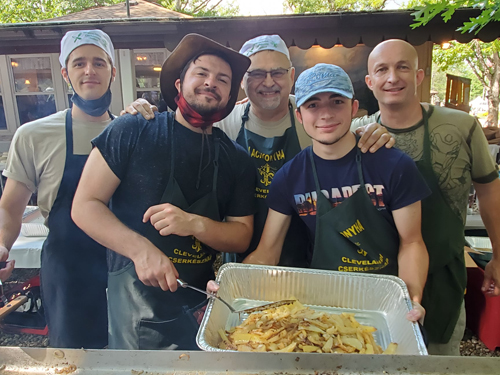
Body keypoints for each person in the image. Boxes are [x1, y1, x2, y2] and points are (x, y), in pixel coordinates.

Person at [125, 35, 394, 267]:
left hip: (308, 254)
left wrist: (374, 130)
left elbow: (348, 130)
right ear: (242, 82)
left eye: (277, 72)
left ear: (291, 77)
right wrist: (137, 112)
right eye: (256, 74)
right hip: (242, 250)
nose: (268, 82)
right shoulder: (223, 120)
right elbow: (183, 122)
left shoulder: (310, 116)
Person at [71, 33, 256, 350]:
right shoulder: (133, 128)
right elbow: (85, 205)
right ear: (178, 83)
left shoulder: (236, 159)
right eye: (201, 73)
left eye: (223, 79)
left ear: (230, 96)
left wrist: (194, 224)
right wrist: (141, 251)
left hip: (199, 302)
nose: (211, 82)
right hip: (134, 304)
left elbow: (241, 235)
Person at [211, 63, 430, 322]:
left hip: (382, 307)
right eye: (313, 105)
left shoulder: (394, 165)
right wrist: (228, 282)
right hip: (322, 309)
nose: (325, 114)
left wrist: (410, 294)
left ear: (354, 108)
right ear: (300, 115)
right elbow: (267, 251)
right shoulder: (289, 177)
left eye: (336, 102)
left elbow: (412, 242)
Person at [351, 39, 500, 355]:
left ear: (419, 76)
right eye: (382, 70)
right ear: (370, 82)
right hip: (374, 283)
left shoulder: (461, 127)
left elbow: (490, 193)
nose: (393, 77)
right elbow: (312, 120)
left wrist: (499, 256)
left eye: (403, 67)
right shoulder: (355, 133)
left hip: (442, 280)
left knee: (439, 361)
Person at [0, 29, 115, 348]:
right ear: (65, 73)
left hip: (123, 265)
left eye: (99, 63)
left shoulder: (130, 132)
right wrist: (2, 246)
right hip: (67, 270)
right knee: (75, 357)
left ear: (112, 72)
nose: (89, 71)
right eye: (79, 64)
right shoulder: (33, 135)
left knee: (128, 354)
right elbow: (10, 206)